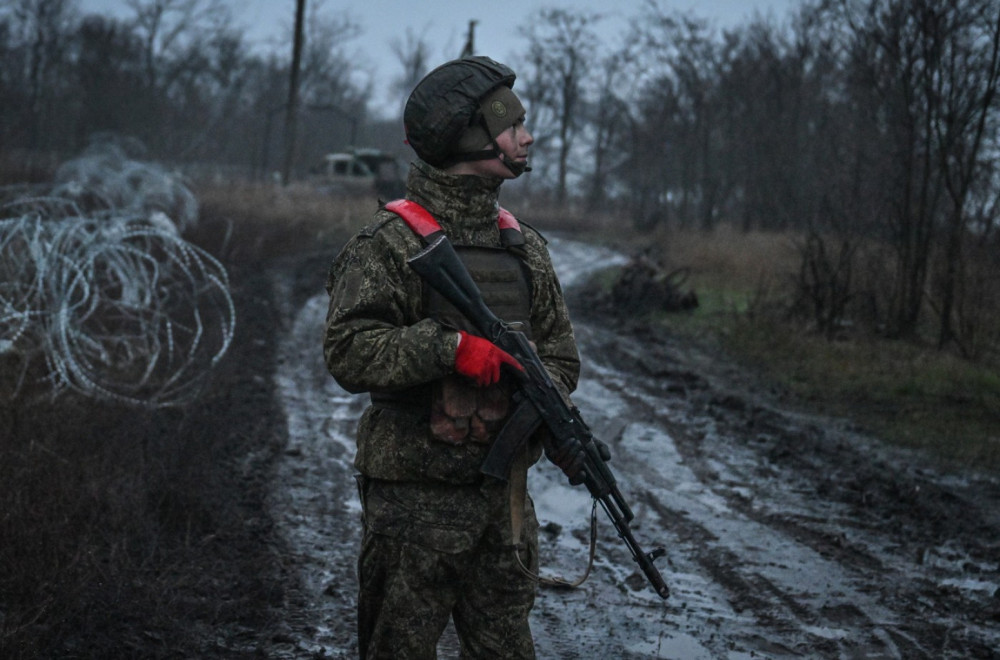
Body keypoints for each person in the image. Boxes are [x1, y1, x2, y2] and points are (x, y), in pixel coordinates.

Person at [323, 55, 581, 659]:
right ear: (472, 137)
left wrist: (534, 393)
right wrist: (451, 350)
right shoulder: (387, 245)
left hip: (504, 509)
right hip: (413, 505)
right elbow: (347, 351)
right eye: (513, 125)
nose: (528, 135)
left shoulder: (525, 249)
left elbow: (563, 360)